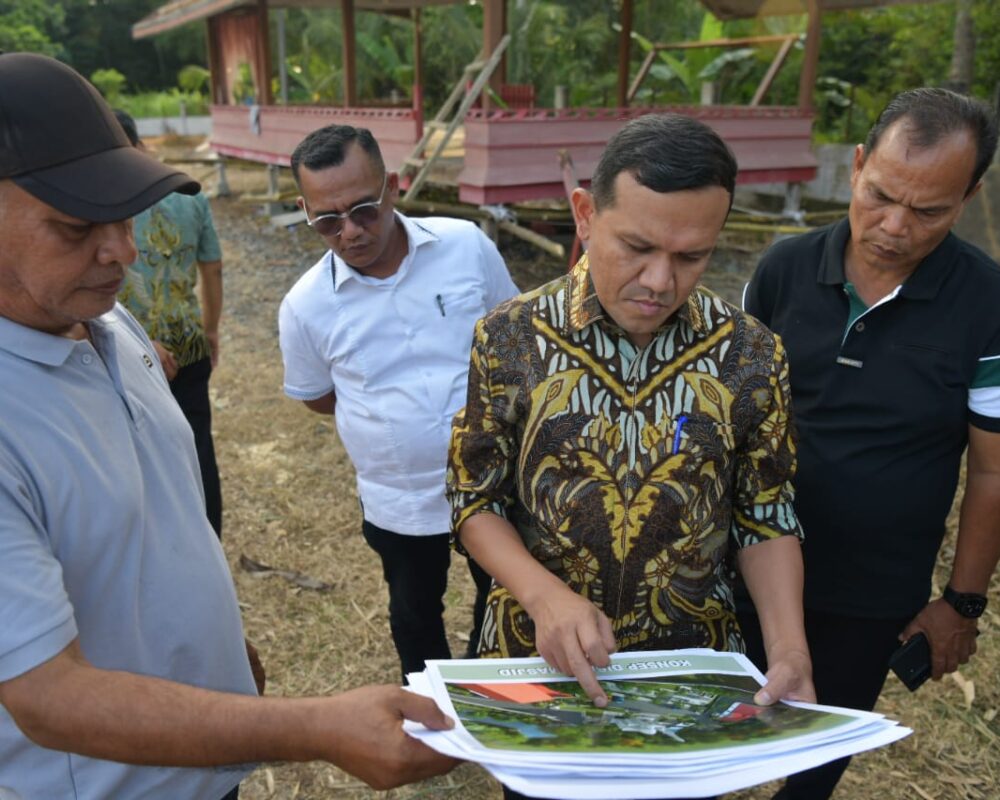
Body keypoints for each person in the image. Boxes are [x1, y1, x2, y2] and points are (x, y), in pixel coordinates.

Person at [0, 53, 456, 800]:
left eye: (123, 216)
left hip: (202, 759)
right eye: (76, 225)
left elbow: (162, 520)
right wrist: (311, 727)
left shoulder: (110, 325)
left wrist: (218, 649)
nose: (123, 251)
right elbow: (45, 695)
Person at [447, 115, 815, 800]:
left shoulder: (751, 354)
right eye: (637, 247)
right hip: (542, 660)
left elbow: (765, 513)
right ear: (585, 214)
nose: (659, 281)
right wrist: (544, 597)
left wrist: (789, 647)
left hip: (688, 672)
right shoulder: (509, 337)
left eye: (692, 256)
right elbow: (475, 498)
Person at [738, 87, 1000, 800]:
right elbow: (731, 417)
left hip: (873, 593)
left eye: (929, 211)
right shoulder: (783, 271)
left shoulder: (988, 304)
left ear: (969, 196)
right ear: (857, 165)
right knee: (714, 739)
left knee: (817, 759)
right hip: (744, 567)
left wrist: (962, 603)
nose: (894, 226)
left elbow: (991, 472)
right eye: (880, 195)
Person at [278, 125, 519, 679]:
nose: (350, 231)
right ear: (305, 211)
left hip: (495, 480)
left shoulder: (466, 246)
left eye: (363, 210)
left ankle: (491, 691)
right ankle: (430, 703)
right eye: (327, 221)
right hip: (400, 501)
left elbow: (512, 341)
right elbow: (319, 397)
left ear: (392, 186)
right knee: (414, 610)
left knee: (503, 595)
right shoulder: (304, 307)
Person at [114, 109, 225, 536]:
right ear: (140, 142)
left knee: (140, 456)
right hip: (188, 341)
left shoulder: (103, 199)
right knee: (198, 448)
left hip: (126, 351)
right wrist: (210, 329)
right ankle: (209, 536)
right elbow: (212, 268)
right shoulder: (188, 193)